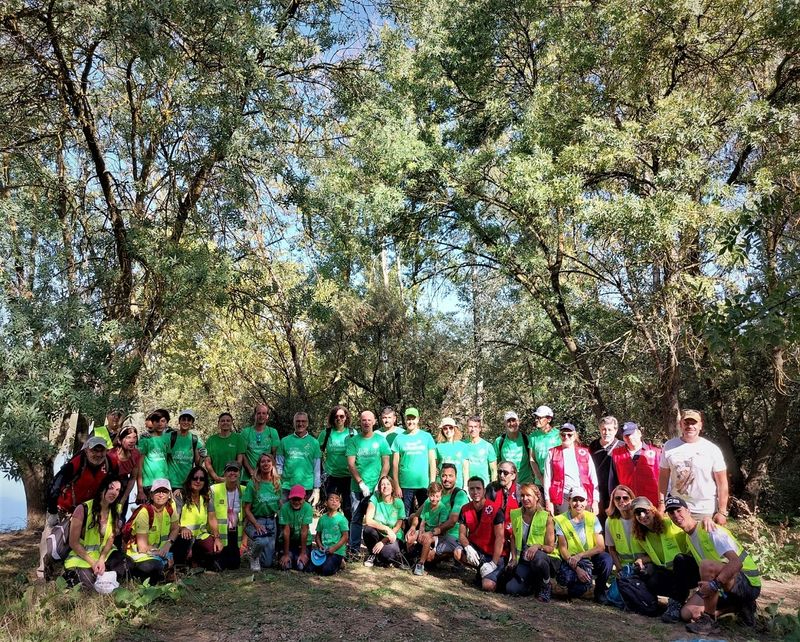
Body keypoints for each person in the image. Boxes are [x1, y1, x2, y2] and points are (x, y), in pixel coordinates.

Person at [666, 496, 761, 634]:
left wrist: (713, 585)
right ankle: (737, 607)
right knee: (686, 614)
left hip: (748, 583)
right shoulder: (688, 537)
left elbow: (736, 563)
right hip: (723, 583)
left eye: (679, 510)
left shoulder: (710, 529)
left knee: (706, 565)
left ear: (688, 510)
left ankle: (709, 621)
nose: (676, 515)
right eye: (671, 513)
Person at [38, 436, 118, 579]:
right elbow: (55, 485)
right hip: (64, 508)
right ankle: (42, 569)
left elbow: (113, 485)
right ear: (87, 450)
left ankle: (69, 569)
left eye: (102, 451)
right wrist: (52, 512)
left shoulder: (109, 464)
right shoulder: (76, 464)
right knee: (51, 537)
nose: (98, 454)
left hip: (86, 512)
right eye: (94, 450)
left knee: (75, 542)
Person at [630, 496, 699, 623]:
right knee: (649, 578)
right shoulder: (638, 534)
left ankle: (676, 604)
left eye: (645, 511)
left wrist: (706, 520)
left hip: (689, 569)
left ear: (653, 510)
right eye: (638, 513)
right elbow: (647, 555)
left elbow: (692, 527)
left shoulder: (670, 523)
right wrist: (641, 561)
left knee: (680, 559)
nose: (642, 515)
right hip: (669, 573)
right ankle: (653, 604)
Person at [659, 409, 729, 530]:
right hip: (677, 508)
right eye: (686, 423)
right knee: (680, 547)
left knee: (705, 547)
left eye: (694, 423)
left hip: (704, 510)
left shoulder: (711, 449)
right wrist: (661, 503)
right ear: (680, 424)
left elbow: (722, 483)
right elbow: (663, 477)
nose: (690, 426)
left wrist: (722, 512)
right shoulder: (669, 446)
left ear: (700, 425)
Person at [63, 476, 127, 590]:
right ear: (102, 488)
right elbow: (73, 543)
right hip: (82, 556)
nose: (114, 492)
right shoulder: (83, 509)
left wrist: (101, 559)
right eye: (111, 488)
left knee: (127, 565)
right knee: (87, 584)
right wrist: (93, 563)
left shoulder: (116, 509)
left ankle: (104, 573)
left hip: (104, 555)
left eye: (117, 490)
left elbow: (111, 539)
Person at [554, 486, 613, 602]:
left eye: (581, 500)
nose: (578, 503)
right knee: (570, 583)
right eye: (575, 500)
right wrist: (577, 568)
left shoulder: (592, 518)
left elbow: (601, 547)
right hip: (570, 560)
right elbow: (563, 549)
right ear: (569, 501)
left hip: (588, 557)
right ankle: (578, 587)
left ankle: (599, 590)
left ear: (586, 502)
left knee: (607, 559)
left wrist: (580, 556)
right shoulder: (560, 520)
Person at [346, 410, 391, 554]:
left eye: (369, 420)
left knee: (377, 519)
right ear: (360, 421)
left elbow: (386, 463)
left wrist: (381, 483)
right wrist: (360, 483)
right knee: (356, 518)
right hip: (357, 488)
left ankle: (377, 550)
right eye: (363, 420)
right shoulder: (354, 441)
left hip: (376, 488)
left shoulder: (380, 440)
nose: (366, 423)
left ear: (374, 421)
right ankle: (354, 549)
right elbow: (351, 465)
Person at [506, 483, 559, 600]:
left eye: (528, 495)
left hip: (542, 557)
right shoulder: (515, 514)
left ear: (537, 497)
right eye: (522, 495)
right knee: (511, 589)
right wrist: (514, 558)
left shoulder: (547, 516)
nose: (525, 499)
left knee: (538, 559)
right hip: (524, 559)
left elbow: (551, 547)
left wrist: (537, 546)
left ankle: (546, 584)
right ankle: (533, 585)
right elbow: (513, 537)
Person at [454, 476, 506, 592]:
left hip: (494, 554)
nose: (475, 492)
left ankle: (498, 574)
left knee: (488, 586)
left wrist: (493, 563)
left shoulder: (495, 509)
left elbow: (500, 538)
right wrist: (467, 547)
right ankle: (480, 571)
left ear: (484, 490)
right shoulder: (465, 509)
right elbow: (461, 534)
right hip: (477, 550)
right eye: (472, 489)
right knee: (458, 552)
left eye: (478, 488)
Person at [126, 478, 180, 584]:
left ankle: (167, 569)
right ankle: (161, 571)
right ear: (151, 495)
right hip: (141, 555)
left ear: (169, 494)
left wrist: (168, 544)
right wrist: (163, 555)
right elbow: (142, 547)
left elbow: (175, 528)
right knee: (155, 566)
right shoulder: (144, 512)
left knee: (185, 540)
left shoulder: (169, 509)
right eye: (157, 491)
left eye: (164, 492)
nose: (161, 495)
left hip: (160, 551)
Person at [391, 407, 436, 519]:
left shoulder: (427, 437)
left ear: (418, 419)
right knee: (405, 515)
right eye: (408, 419)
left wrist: (432, 482)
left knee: (425, 515)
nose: (410, 422)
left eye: (413, 419)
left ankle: (422, 536)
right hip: (405, 484)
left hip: (424, 484)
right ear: (405, 420)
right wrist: (396, 485)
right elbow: (395, 464)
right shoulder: (399, 438)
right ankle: (406, 536)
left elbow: (432, 461)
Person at [544, 423, 599, 515]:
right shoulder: (552, 453)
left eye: (569, 434)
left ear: (575, 436)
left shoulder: (584, 453)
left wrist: (595, 501)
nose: (566, 437)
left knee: (583, 525)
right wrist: (548, 501)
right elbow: (547, 479)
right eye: (563, 434)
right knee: (564, 525)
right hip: (561, 496)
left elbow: (593, 478)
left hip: (583, 495)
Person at [243, 453, 281, 571]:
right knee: (261, 541)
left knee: (267, 563)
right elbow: (247, 509)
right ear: (259, 465)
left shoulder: (277, 483)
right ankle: (253, 556)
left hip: (271, 521)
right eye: (263, 461)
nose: (266, 464)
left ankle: (258, 554)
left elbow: (279, 504)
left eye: (268, 461)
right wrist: (256, 524)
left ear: (273, 464)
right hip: (255, 520)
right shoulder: (253, 483)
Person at [172, 466, 216, 569]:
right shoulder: (180, 496)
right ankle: (181, 565)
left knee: (213, 548)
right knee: (185, 540)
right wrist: (182, 528)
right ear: (189, 479)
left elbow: (212, 519)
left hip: (200, 536)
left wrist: (217, 538)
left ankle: (197, 561)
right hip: (183, 536)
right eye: (195, 478)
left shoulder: (206, 498)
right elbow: (173, 521)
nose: (198, 481)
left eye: (201, 479)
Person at [610, 422, 661, 506]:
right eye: (626, 435)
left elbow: (664, 480)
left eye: (631, 434)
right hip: (628, 504)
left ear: (639, 433)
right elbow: (612, 482)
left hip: (652, 504)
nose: (629, 437)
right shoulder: (617, 455)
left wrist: (662, 503)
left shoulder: (656, 453)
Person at [276, 411, 321, 505]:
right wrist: (278, 485)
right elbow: (279, 465)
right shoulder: (284, 441)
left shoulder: (314, 442)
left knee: (304, 518)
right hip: (287, 487)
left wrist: (317, 489)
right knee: (285, 517)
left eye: (303, 421)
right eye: (298, 421)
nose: (300, 424)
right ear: (293, 423)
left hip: (307, 487)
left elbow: (317, 468)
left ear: (307, 423)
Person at [318, 405, 355, 518]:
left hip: (349, 476)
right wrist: (321, 471)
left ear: (346, 417)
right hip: (332, 476)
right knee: (331, 507)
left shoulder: (352, 433)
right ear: (332, 418)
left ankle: (348, 533)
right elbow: (318, 453)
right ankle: (330, 532)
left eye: (341, 416)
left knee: (348, 508)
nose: (339, 419)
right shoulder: (326, 433)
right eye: (336, 416)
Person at [208, 461, 246, 570]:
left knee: (234, 565)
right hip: (220, 534)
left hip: (235, 533)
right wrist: (216, 537)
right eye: (229, 470)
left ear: (239, 473)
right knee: (219, 566)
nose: (232, 473)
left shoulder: (245, 490)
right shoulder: (214, 489)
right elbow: (211, 516)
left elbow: (247, 517)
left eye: (235, 470)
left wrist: (244, 539)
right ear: (224, 473)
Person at [406, 481, 449, 575]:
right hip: (426, 530)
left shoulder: (442, 509)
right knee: (411, 536)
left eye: (437, 496)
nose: (434, 499)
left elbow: (440, 527)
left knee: (427, 540)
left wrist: (427, 534)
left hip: (436, 534)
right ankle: (410, 558)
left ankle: (421, 564)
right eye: (432, 496)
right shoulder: (427, 504)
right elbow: (423, 521)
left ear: (441, 496)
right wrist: (421, 531)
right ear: (428, 494)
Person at [363, 476, 406, 567]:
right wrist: (386, 528)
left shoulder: (398, 503)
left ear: (392, 487)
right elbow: (368, 520)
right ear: (379, 488)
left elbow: (398, 526)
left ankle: (387, 557)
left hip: (393, 536)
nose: (385, 487)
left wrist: (383, 541)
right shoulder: (375, 498)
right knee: (367, 530)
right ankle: (373, 554)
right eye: (382, 485)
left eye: (388, 484)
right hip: (379, 533)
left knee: (388, 555)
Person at [167, 409, 206, 510]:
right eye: (183, 419)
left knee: (186, 514)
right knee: (174, 514)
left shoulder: (195, 440)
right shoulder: (171, 437)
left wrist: (202, 456)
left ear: (192, 423)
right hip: (171, 484)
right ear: (179, 421)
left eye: (189, 420)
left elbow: (197, 464)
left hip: (188, 484)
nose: (186, 422)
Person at [589, 415, 621, 527]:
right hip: (597, 493)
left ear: (615, 430)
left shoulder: (621, 447)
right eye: (603, 429)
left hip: (615, 493)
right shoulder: (593, 446)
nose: (606, 432)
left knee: (616, 523)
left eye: (609, 429)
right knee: (599, 525)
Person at [108, 423, 144, 515]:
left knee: (120, 517)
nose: (132, 441)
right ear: (120, 440)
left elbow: (132, 478)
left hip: (124, 485)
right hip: (109, 484)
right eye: (128, 437)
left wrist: (123, 500)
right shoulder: (110, 455)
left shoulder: (136, 454)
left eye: (134, 437)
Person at [240, 404, 281, 483]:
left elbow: (275, 454)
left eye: (264, 413)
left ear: (267, 416)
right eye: (258, 413)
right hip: (248, 478)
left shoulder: (272, 432)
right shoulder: (246, 432)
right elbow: (242, 454)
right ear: (255, 415)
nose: (261, 416)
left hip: (266, 477)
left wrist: (271, 472)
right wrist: (251, 471)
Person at [312, 490, 349, 576]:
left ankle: (340, 563)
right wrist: (320, 546)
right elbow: (317, 536)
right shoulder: (322, 518)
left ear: (339, 504)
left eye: (337, 500)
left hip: (336, 552)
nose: (334, 501)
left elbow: (345, 537)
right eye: (331, 499)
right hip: (324, 551)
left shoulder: (342, 519)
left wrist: (334, 548)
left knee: (326, 570)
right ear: (326, 503)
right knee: (310, 568)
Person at [278, 484, 313, 571]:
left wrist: (303, 553)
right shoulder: (285, 508)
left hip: (303, 543)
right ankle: (286, 554)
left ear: (304, 498)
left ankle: (300, 555)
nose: (296, 502)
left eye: (299, 499)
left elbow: (304, 531)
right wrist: (286, 554)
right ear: (290, 498)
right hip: (289, 541)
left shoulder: (308, 508)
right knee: (285, 566)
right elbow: (286, 532)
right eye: (294, 499)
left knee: (301, 566)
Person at [494, 411, 534, 484]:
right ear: (505, 424)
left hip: (525, 483)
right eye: (508, 421)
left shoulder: (527, 439)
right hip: (507, 484)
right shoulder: (499, 441)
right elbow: (496, 463)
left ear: (518, 422)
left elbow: (532, 460)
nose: (512, 424)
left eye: (514, 420)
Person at [204, 412, 245, 483]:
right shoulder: (211, 440)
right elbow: (207, 462)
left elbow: (239, 461)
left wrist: (231, 476)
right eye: (222, 421)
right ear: (219, 423)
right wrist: (216, 478)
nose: (225, 422)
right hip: (214, 481)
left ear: (232, 423)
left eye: (228, 421)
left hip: (233, 480)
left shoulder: (238, 438)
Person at [605, 484, 637, 572]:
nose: (621, 501)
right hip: (624, 567)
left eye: (625, 498)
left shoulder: (640, 517)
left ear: (632, 500)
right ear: (613, 502)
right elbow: (611, 549)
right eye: (617, 498)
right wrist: (620, 570)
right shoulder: (610, 521)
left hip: (644, 564)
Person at [139, 410, 170, 496]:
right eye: (157, 421)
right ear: (152, 422)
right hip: (149, 484)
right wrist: (140, 490)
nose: (160, 424)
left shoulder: (168, 439)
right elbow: (139, 465)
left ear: (167, 422)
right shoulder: (145, 440)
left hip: (165, 483)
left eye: (163, 421)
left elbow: (167, 460)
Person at [529, 405, 560, 488]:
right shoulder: (533, 436)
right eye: (536, 417)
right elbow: (532, 458)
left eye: (539, 418)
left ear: (549, 419)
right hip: (539, 482)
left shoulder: (558, 435)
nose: (536, 420)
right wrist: (540, 477)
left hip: (557, 481)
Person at [435, 417, 470, 489]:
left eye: (450, 427)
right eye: (445, 428)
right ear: (442, 431)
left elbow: (465, 469)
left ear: (455, 429)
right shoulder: (438, 446)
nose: (448, 430)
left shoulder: (463, 446)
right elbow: (435, 465)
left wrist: (466, 486)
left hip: (458, 485)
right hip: (442, 485)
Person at [464, 416, 497, 486]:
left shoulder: (488, 446)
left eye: (475, 427)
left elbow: (494, 470)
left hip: (484, 486)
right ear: (467, 428)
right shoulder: (463, 445)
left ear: (480, 429)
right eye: (470, 426)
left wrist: (493, 487)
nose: (473, 429)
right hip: (468, 486)